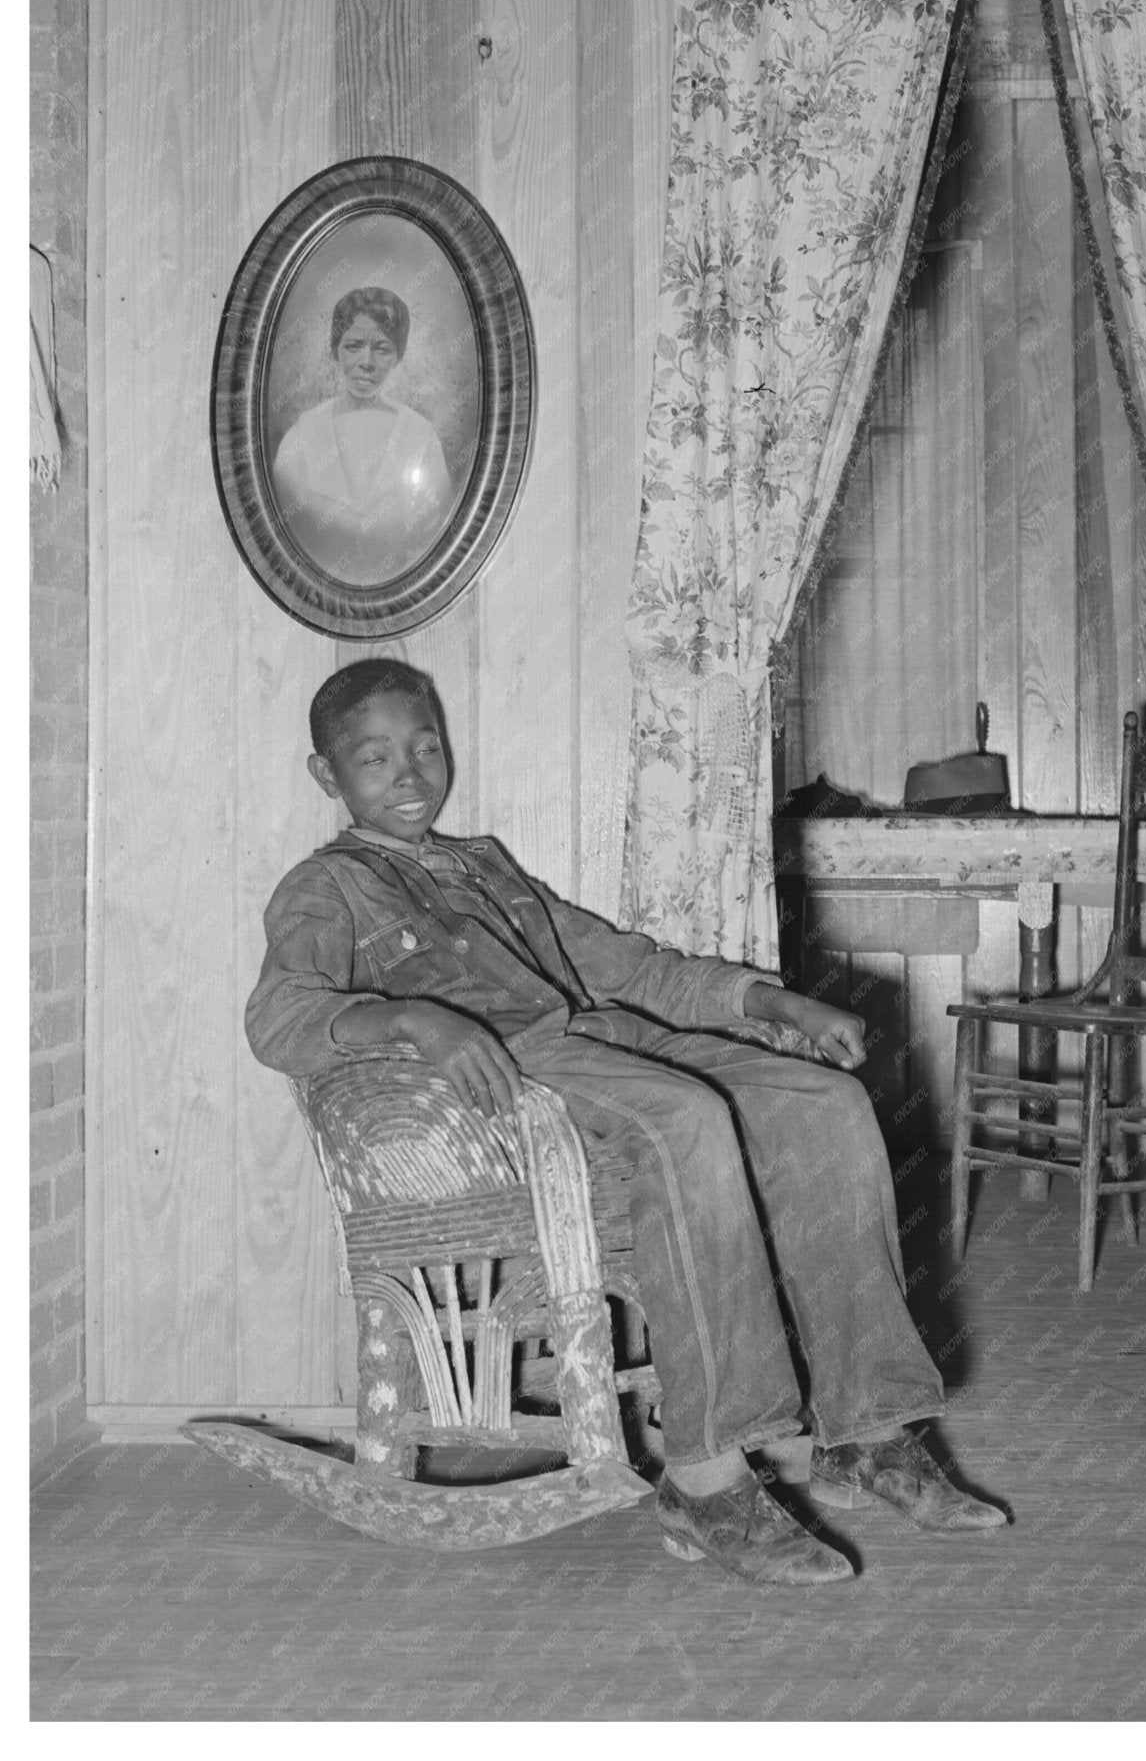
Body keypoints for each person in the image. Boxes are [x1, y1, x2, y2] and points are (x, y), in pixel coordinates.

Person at [247, 659, 1006, 1585]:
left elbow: (632, 969)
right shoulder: (326, 889)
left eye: (425, 747)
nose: (408, 775)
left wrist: (773, 1005)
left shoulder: (483, 865)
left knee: (827, 1102)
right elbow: (279, 1016)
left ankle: (869, 1430)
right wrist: (412, 1018)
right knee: (684, 1120)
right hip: (525, 1075)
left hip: (612, 1039)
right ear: (328, 775)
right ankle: (709, 1477)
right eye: (374, 758)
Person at [271, 288, 454, 582]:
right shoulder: (301, 437)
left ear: (398, 355)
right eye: (354, 346)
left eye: (382, 348)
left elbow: (434, 529)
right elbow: (284, 528)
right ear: (335, 349)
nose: (366, 361)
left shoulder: (421, 437)